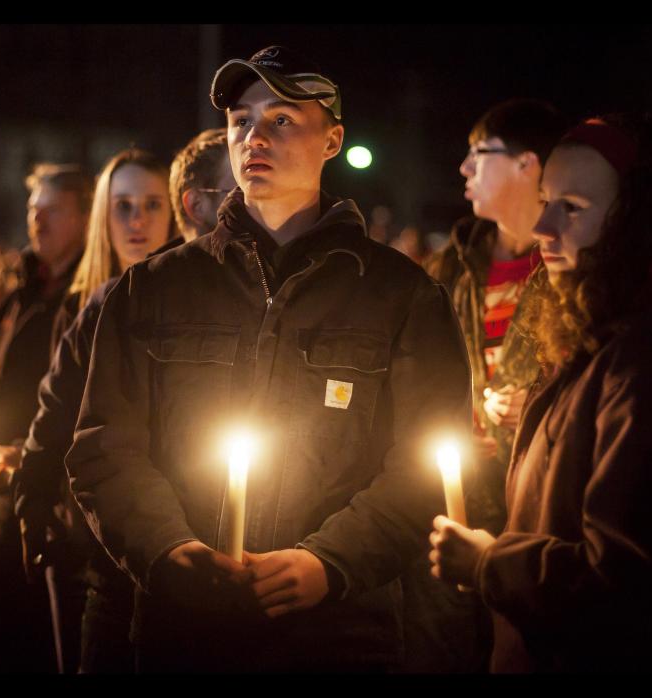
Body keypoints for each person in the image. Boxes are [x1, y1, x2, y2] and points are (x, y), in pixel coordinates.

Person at [65, 46, 471, 673]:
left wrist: (329, 562)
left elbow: (422, 465)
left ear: (332, 140)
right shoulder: (151, 290)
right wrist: (167, 551)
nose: (254, 135)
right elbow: (103, 449)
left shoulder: (401, 296)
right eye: (240, 120)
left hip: (338, 639)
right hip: (185, 635)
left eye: (281, 119)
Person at [430, 114, 652, 672]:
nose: (543, 228)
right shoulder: (590, 331)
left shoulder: (647, 361)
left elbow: (625, 589)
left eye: (572, 208)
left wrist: (491, 562)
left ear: (635, 221)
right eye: (547, 201)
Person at [14, 134, 233, 673]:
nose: (138, 221)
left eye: (151, 205)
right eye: (123, 207)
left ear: (176, 209)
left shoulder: (200, 295)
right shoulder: (103, 303)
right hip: (107, 554)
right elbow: (62, 407)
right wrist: (35, 487)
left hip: (200, 545)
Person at [409, 100, 567, 673]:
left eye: (480, 153)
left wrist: (541, 408)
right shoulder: (452, 267)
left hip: (534, 511)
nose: (463, 167)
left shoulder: (568, 267)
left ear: (529, 164)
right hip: (452, 502)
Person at [0, 162, 90, 673]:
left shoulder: (86, 295)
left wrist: (28, 450)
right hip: (2, 473)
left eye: (53, 210)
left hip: (50, 477)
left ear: (86, 217)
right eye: (33, 209)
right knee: (11, 614)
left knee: (48, 627)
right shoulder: (23, 286)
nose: (38, 221)